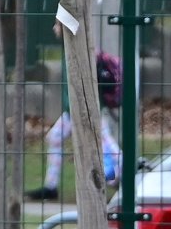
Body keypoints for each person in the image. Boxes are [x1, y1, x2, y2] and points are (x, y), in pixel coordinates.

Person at [28, 26, 121, 202]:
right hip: (71, 112)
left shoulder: (79, 48)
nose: (54, 28)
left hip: (87, 112)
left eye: (57, 24)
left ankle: (127, 172)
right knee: (55, 137)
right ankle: (51, 186)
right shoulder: (66, 48)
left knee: (106, 142)